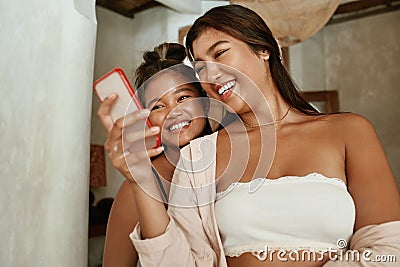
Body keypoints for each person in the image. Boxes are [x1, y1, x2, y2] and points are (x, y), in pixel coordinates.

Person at [101, 5, 400, 267]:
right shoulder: (199, 156)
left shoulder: (350, 131)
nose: (211, 74)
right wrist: (139, 175)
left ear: (263, 49)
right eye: (201, 68)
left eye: (220, 53)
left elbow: (390, 249)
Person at [98, 42, 212, 267]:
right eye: (158, 107)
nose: (174, 112)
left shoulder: (228, 157)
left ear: (204, 102)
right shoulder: (136, 188)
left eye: (182, 98)